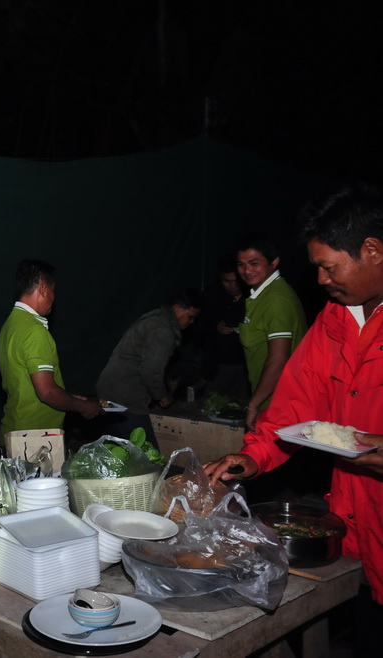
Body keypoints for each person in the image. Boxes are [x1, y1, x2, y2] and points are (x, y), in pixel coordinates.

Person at [204, 183, 383, 658]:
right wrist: (254, 455)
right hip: (354, 529)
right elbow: (294, 408)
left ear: (372, 250)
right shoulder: (334, 321)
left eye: (329, 266)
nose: (321, 279)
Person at [0, 259, 102, 438]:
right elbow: (47, 392)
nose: (54, 297)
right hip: (36, 438)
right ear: (43, 288)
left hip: (16, 428)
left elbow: (29, 385)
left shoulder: (12, 324)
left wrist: (70, 398)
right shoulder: (34, 331)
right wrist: (84, 407)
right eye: (53, 290)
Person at [95, 289, 202, 442]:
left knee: (119, 445)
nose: (191, 322)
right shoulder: (163, 331)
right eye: (190, 317)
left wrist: (146, 394)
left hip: (109, 391)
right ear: (178, 308)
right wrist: (162, 396)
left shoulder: (156, 318)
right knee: (145, 451)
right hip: (123, 399)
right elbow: (151, 371)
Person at [235, 231, 307, 429]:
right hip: (269, 400)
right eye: (241, 264)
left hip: (279, 404)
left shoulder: (276, 300)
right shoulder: (263, 295)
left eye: (254, 263)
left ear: (273, 262)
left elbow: (278, 359)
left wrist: (253, 404)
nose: (246, 270)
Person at [196, 256, 249, 401]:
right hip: (217, 366)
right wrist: (215, 328)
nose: (232, 286)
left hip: (246, 366)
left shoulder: (253, 296)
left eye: (236, 281)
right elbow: (197, 330)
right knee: (212, 404)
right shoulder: (212, 297)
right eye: (227, 281)